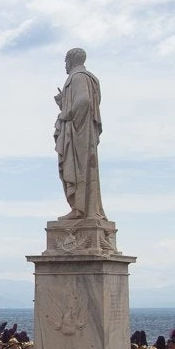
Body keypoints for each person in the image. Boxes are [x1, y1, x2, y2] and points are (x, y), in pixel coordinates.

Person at [53, 47, 106, 221]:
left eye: (65, 61)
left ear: (70, 61)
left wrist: (65, 113)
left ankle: (80, 209)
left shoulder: (77, 77)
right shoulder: (90, 79)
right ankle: (83, 209)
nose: (65, 65)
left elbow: (83, 101)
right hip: (84, 131)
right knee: (83, 169)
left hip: (78, 134)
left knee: (78, 168)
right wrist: (64, 103)